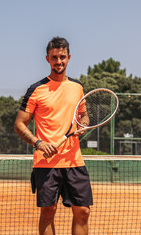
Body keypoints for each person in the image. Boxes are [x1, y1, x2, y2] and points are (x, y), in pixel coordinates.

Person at [14, 36, 93, 235]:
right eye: (54, 57)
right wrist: (38, 143)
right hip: (45, 163)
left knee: (83, 212)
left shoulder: (77, 87)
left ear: (69, 58)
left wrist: (83, 124)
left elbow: (83, 115)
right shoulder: (36, 89)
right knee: (48, 213)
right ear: (47, 59)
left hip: (74, 161)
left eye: (62, 57)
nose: (59, 61)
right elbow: (19, 124)